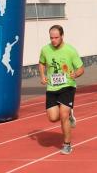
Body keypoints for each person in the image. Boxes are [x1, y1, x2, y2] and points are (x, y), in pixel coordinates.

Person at [39, 25, 85, 155]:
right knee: (53, 118)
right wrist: (42, 75)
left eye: (56, 37)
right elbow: (42, 63)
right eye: (51, 38)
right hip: (52, 87)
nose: (53, 40)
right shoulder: (45, 50)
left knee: (63, 115)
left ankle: (67, 145)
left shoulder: (70, 51)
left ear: (62, 36)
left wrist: (75, 74)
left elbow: (81, 68)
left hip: (67, 86)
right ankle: (69, 115)